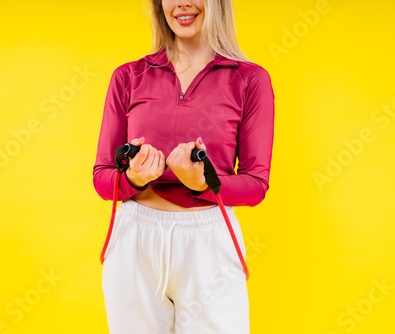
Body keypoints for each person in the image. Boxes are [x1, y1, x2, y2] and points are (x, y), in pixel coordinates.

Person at [92, 0, 274, 333]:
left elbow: (256, 184)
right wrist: (132, 177)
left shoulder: (250, 80)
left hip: (209, 241)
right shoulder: (128, 77)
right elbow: (103, 178)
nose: (182, 4)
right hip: (134, 242)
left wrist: (204, 183)